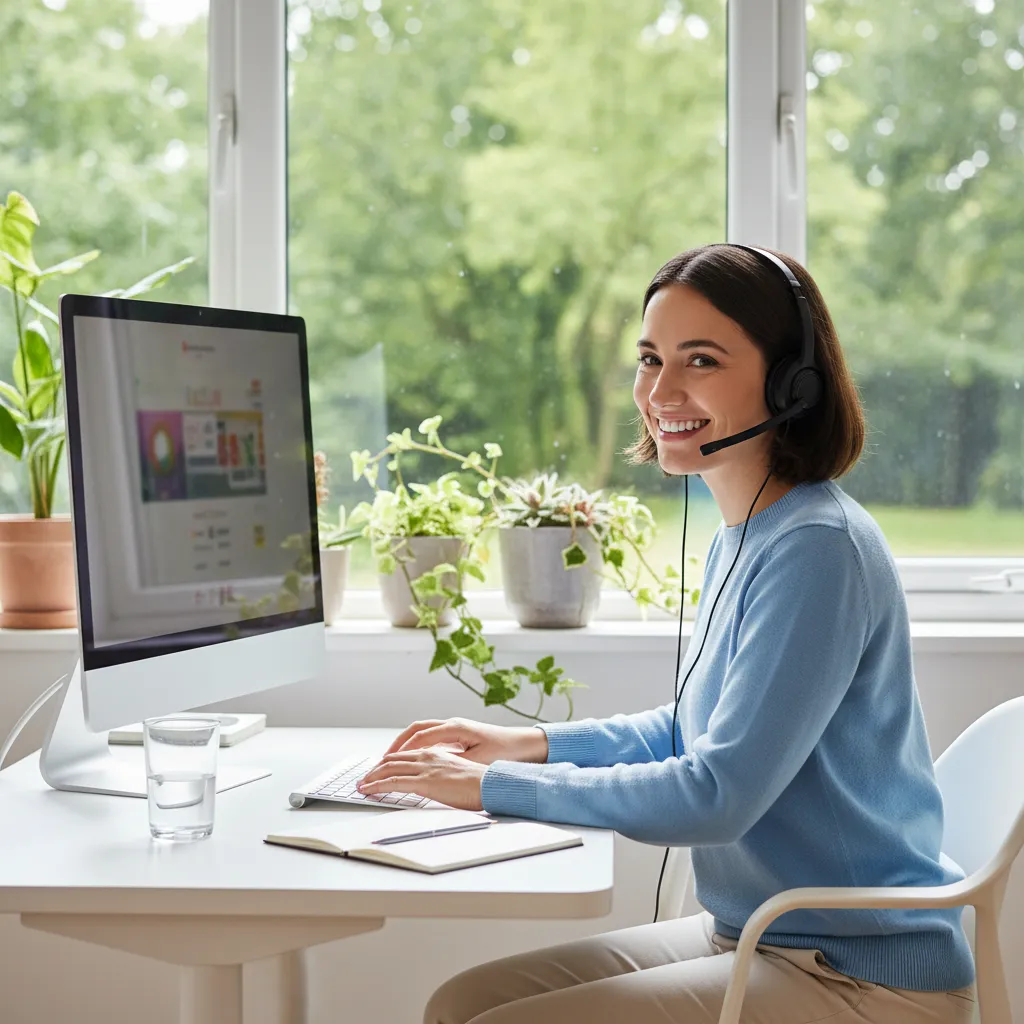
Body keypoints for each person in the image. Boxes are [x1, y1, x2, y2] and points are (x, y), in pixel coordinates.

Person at [356, 244, 978, 1024]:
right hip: (757, 937)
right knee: (463, 1003)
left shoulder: (820, 548)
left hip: (858, 974)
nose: (661, 391)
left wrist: (492, 790)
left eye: (702, 360)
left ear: (792, 383)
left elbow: (715, 796)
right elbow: (696, 730)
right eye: (651, 359)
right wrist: (526, 745)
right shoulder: (745, 535)